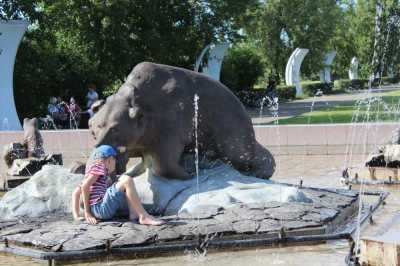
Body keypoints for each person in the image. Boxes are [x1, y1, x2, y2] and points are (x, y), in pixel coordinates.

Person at [71, 145, 165, 225]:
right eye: (115, 160)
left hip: (97, 211)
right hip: (101, 209)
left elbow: (76, 192)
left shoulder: (91, 172)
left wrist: (77, 216)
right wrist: (87, 212)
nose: (115, 163)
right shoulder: (100, 167)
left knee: (122, 182)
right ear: (109, 160)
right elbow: (85, 186)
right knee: (126, 180)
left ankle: (134, 214)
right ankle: (143, 216)